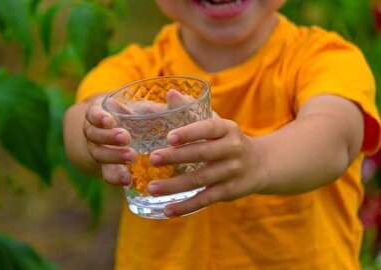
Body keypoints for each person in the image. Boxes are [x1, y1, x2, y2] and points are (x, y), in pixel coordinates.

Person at [63, 0, 381, 269]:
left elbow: (336, 136)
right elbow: (82, 117)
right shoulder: (133, 70)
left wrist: (259, 161)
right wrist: (97, 137)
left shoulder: (326, 58)